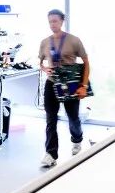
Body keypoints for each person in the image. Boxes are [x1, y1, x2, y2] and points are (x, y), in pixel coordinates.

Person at [38, 9, 90, 167]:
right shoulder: (45, 42)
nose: (52, 24)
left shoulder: (74, 40)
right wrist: (44, 68)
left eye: (55, 21)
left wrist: (84, 86)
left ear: (62, 21)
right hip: (52, 82)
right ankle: (50, 154)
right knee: (50, 119)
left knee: (73, 117)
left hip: (70, 83)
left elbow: (86, 63)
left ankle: (77, 139)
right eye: (50, 21)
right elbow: (40, 62)